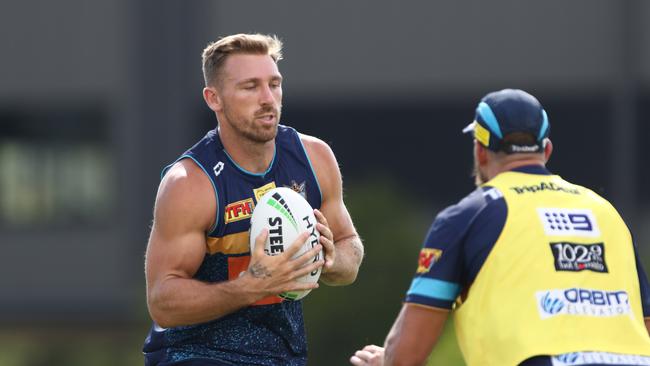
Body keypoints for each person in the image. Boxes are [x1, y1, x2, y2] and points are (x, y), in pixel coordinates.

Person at [350, 89, 650, 366]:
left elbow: (406, 356)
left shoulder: (469, 215)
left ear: (480, 151)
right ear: (546, 150)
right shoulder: (605, 211)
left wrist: (387, 360)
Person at [142, 33, 364, 366]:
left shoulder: (315, 158)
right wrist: (251, 286)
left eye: (274, 84)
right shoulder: (190, 184)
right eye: (250, 87)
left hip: (282, 354)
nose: (267, 98)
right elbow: (163, 301)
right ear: (213, 98)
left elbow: (350, 249)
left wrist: (330, 260)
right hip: (196, 356)